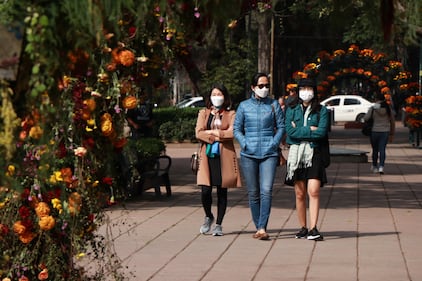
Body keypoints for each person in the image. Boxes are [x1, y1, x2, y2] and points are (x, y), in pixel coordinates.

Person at [233, 73, 284, 240]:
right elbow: (237, 129)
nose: (264, 89)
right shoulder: (244, 106)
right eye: (261, 86)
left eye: (266, 85)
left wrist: (274, 143)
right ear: (253, 88)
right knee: (253, 192)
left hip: (269, 153)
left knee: (266, 190)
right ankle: (258, 226)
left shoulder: (273, 105)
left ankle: (262, 227)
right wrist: (244, 142)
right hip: (249, 154)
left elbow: (281, 127)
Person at [284, 77, 329, 241]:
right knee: (299, 193)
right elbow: (290, 132)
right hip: (296, 154)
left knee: (314, 191)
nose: (306, 92)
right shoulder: (291, 109)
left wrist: (302, 131)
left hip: (314, 153)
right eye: (303, 89)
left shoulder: (322, 110)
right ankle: (303, 227)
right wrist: (310, 129)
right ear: (298, 91)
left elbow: (322, 132)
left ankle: (313, 228)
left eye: (309, 89)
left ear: (314, 91)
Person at [195, 84, 241, 236]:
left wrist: (215, 133)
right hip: (207, 156)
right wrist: (215, 135)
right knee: (205, 190)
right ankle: (209, 215)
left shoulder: (231, 114)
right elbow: (199, 133)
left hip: (224, 157)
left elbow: (232, 132)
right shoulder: (204, 113)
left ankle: (219, 224)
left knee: (222, 190)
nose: (216, 97)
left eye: (219, 94)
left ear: (225, 97)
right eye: (214, 94)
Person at [363, 92, 395, 174]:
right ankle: (381, 166)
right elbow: (392, 120)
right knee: (382, 149)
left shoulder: (373, 108)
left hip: (374, 131)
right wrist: (392, 132)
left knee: (375, 150)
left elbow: (366, 118)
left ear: (376, 99)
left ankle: (374, 166)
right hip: (385, 131)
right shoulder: (388, 108)